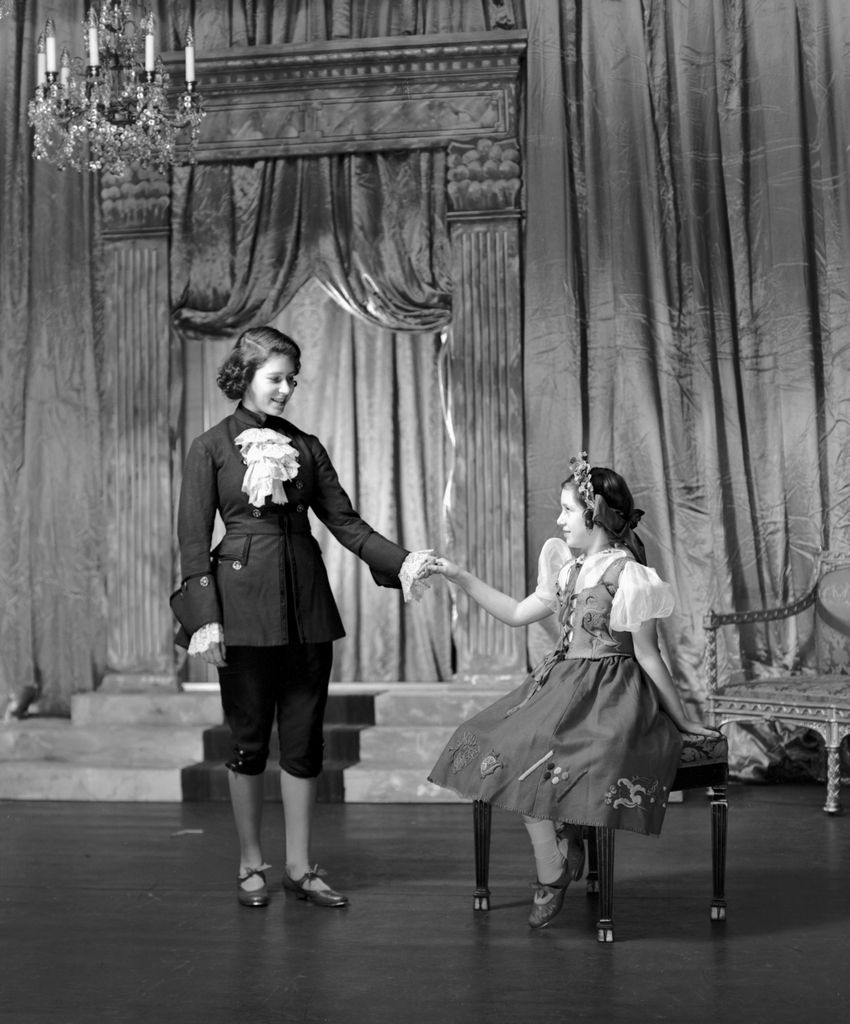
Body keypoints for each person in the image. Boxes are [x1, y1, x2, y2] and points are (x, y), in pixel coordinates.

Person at [172, 326, 433, 909]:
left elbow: (347, 523)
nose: (286, 390)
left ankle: (298, 867)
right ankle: (249, 863)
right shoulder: (210, 447)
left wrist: (405, 560)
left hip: (308, 610)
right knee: (246, 740)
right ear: (245, 377)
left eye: (292, 379)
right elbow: (194, 543)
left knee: (304, 741)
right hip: (239, 613)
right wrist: (203, 619)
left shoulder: (307, 446)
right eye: (275, 378)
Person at [425, 452, 717, 929]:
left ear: (594, 514)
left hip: (612, 691)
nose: (559, 520)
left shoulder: (629, 575)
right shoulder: (567, 569)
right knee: (503, 743)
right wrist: (460, 576)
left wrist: (681, 718)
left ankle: (561, 849)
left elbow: (648, 654)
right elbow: (519, 612)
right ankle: (555, 857)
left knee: (580, 754)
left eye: (566, 510)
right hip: (562, 682)